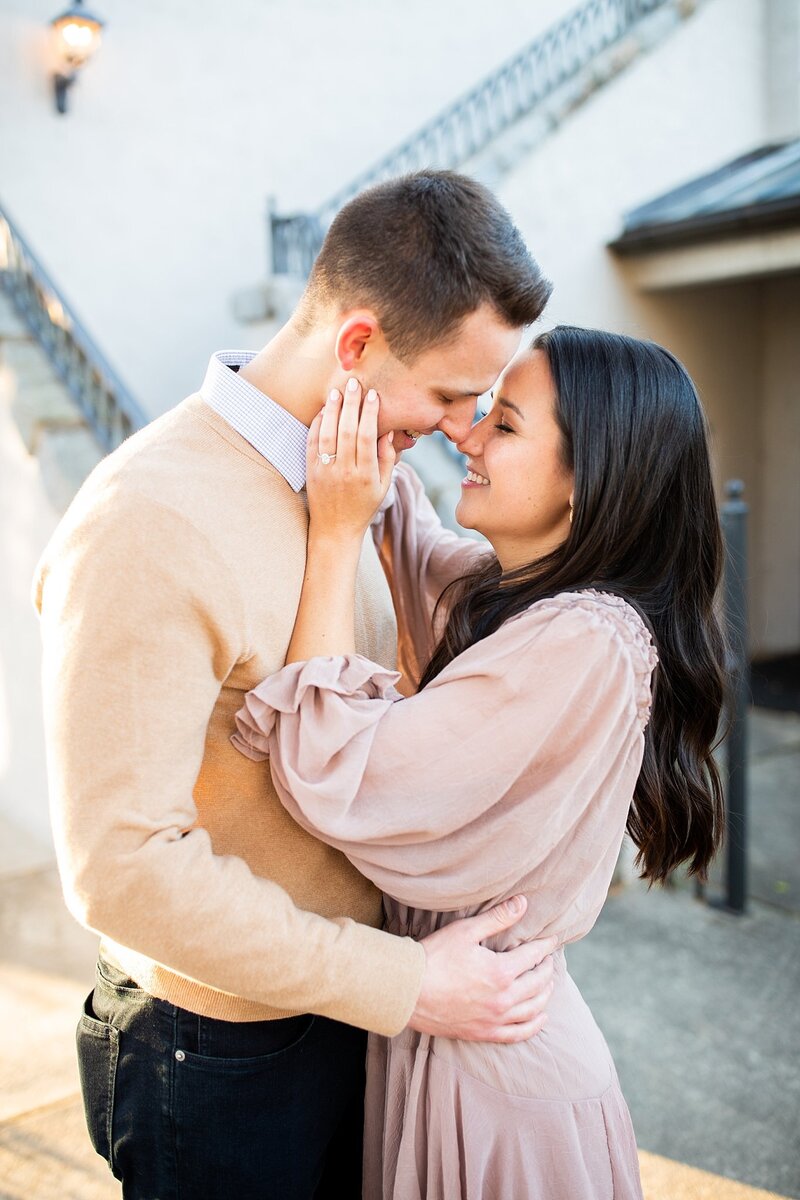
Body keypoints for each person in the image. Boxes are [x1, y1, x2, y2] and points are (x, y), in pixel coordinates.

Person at [33, 172, 557, 1200]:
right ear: (356, 343)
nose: (461, 427)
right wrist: (408, 986)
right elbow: (122, 870)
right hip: (216, 1057)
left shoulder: (355, 482)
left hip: (340, 1018)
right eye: (451, 393)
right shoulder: (150, 519)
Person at [232, 326, 728, 1199]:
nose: (467, 435)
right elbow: (417, 548)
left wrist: (332, 538)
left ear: (588, 481)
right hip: (451, 1034)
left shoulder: (588, 641)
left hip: (497, 1079)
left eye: (504, 425)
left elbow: (340, 772)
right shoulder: (526, 604)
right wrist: (349, 397)